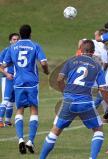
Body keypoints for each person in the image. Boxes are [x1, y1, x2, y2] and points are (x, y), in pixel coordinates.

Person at [39, 40, 108, 159]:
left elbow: (59, 79)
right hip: (85, 103)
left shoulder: (71, 60)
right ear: (93, 52)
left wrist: (65, 92)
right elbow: (103, 89)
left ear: (80, 50)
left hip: (68, 102)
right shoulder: (96, 65)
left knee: (55, 131)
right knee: (98, 130)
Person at [0, 24, 49, 154]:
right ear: (30, 34)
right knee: (34, 110)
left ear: (20, 35)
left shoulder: (13, 47)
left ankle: (20, 139)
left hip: (18, 82)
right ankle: (30, 141)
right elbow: (43, 62)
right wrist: (46, 71)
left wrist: (9, 70)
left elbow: (4, 65)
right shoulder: (35, 45)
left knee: (20, 110)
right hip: (32, 82)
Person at [0, 33, 20, 127]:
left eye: (17, 39)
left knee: (12, 101)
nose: (15, 41)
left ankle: (7, 121)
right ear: (10, 41)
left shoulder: (20, 52)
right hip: (7, 78)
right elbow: (0, 67)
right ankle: (0, 121)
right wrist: (7, 74)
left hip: (16, 79)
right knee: (6, 99)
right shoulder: (5, 51)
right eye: (14, 39)